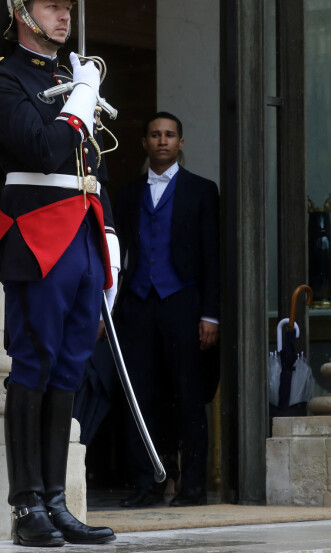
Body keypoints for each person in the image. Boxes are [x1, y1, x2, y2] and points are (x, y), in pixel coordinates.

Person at [0, 0, 119, 546]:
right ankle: (26, 506)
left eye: (67, 7)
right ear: (20, 10)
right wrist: (83, 94)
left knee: (71, 363)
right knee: (35, 360)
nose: (64, 16)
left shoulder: (71, 75)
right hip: (35, 232)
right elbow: (44, 147)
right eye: (51, 5)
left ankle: (55, 501)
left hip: (83, 231)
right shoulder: (6, 76)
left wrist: (110, 239)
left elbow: (91, 164)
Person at [114, 111, 220, 508]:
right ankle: (147, 483)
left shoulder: (202, 190)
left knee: (188, 395)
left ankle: (192, 486)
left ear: (180, 143)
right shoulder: (126, 194)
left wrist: (211, 314)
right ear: (144, 143)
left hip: (184, 303)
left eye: (169, 135)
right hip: (137, 304)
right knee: (140, 396)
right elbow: (116, 255)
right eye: (155, 134)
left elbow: (212, 255)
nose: (162, 141)